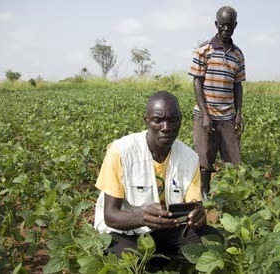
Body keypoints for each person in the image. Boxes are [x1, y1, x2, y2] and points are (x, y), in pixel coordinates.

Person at [94, 91, 222, 262]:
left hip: (165, 230)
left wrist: (199, 216)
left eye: (173, 120)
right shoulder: (121, 151)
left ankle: (159, 260)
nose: (166, 127)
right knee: (134, 260)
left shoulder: (189, 158)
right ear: (146, 120)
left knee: (213, 241)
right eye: (157, 120)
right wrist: (142, 217)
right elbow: (110, 216)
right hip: (124, 232)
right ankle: (158, 261)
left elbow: (195, 207)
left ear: (180, 120)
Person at [189, 6, 246, 199]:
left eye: (229, 25)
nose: (225, 29)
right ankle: (204, 192)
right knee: (204, 154)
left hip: (228, 115)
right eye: (222, 25)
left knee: (233, 157)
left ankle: (232, 194)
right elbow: (197, 82)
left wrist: (238, 114)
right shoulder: (204, 49)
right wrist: (205, 115)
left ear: (235, 26)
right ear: (216, 24)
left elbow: (238, 86)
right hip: (205, 114)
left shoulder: (238, 54)